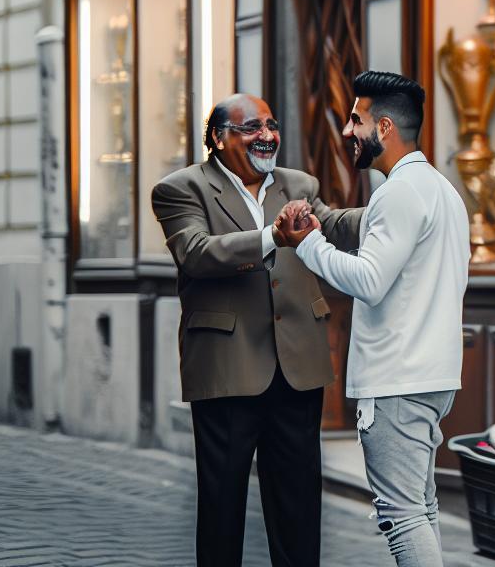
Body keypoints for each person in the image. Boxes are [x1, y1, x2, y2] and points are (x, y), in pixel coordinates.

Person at [151, 94, 365, 567]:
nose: (266, 136)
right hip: (228, 368)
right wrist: (273, 236)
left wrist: (394, 204)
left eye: (271, 125)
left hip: (298, 366)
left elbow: (333, 225)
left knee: (299, 506)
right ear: (218, 137)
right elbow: (198, 253)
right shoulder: (180, 188)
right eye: (251, 128)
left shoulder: (298, 184)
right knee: (222, 504)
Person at [276, 70, 469, 567]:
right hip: (430, 374)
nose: (346, 130)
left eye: (356, 119)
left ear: (383, 128)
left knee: (402, 514)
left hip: (398, 380)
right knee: (420, 509)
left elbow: (368, 280)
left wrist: (308, 245)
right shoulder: (443, 191)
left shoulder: (400, 192)